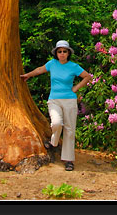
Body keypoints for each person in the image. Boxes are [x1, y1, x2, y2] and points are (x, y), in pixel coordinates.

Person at [20, 39, 92, 171]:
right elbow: (41, 69)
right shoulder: (52, 64)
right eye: (60, 51)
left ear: (68, 53)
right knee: (57, 123)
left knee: (69, 130)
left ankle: (68, 160)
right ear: (56, 53)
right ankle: (53, 143)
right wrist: (28, 75)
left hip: (69, 100)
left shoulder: (73, 66)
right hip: (54, 100)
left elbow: (87, 77)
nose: (62, 54)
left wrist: (76, 88)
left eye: (65, 51)